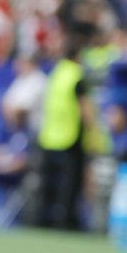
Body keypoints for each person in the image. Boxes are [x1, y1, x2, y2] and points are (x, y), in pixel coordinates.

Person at [31, 41, 95, 230]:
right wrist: (93, 132)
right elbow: (85, 109)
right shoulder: (76, 74)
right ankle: (66, 221)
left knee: (49, 183)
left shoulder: (56, 73)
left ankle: (44, 220)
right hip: (70, 136)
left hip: (50, 135)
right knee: (71, 183)